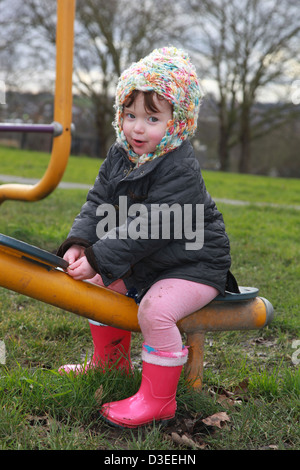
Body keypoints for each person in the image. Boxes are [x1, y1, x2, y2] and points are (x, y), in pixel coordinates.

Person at [56, 46, 236, 428]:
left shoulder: (180, 166)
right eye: (130, 114)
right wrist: (80, 244)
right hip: (150, 260)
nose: (137, 128)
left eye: (152, 118)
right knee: (101, 286)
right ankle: (112, 365)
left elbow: (155, 224)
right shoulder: (120, 155)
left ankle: (159, 401)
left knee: (156, 310)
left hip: (194, 263)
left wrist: (101, 257)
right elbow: (98, 202)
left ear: (177, 123)